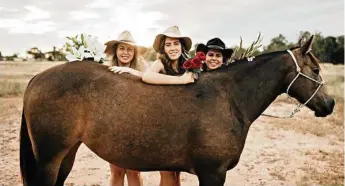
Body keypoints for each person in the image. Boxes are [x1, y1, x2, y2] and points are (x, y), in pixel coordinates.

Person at [104, 30, 148, 186]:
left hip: (136, 125)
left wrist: (132, 72)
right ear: (116, 50)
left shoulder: (142, 69)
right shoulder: (106, 70)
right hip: (113, 126)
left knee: (134, 171)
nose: (125, 52)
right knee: (116, 171)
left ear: (134, 52)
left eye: (130, 49)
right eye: (122, 48)